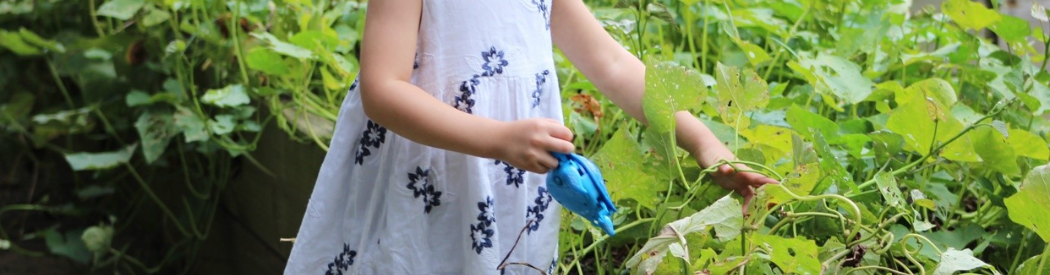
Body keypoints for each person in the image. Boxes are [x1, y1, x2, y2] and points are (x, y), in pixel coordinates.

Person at [284, 0, 777, 274]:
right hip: (422, 182)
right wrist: (498, 139)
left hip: (506, 192)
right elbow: (382, 89)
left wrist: (702, 142)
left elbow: (612, 65)